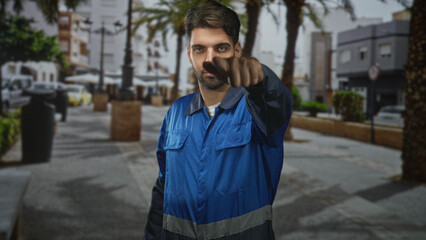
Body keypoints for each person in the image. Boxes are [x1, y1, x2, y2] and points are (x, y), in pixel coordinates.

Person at [143, 1, 292, 239]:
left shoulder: (258, 112)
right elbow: (163, 188)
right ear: (189, 54)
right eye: (200, 49)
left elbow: (276, 100)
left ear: (237, 51)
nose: (210, 59)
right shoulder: (176, 113)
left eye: (220, 48)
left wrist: (260, 79)